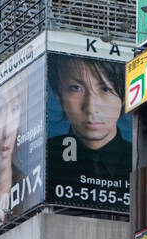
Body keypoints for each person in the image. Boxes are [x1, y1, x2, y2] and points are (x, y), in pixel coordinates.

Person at [46, 54, 132, 198]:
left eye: (105, 89)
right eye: (76, 88)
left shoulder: (141, 161)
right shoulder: (45, 159)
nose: (91, 107)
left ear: (125, 95)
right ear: (58, 94)